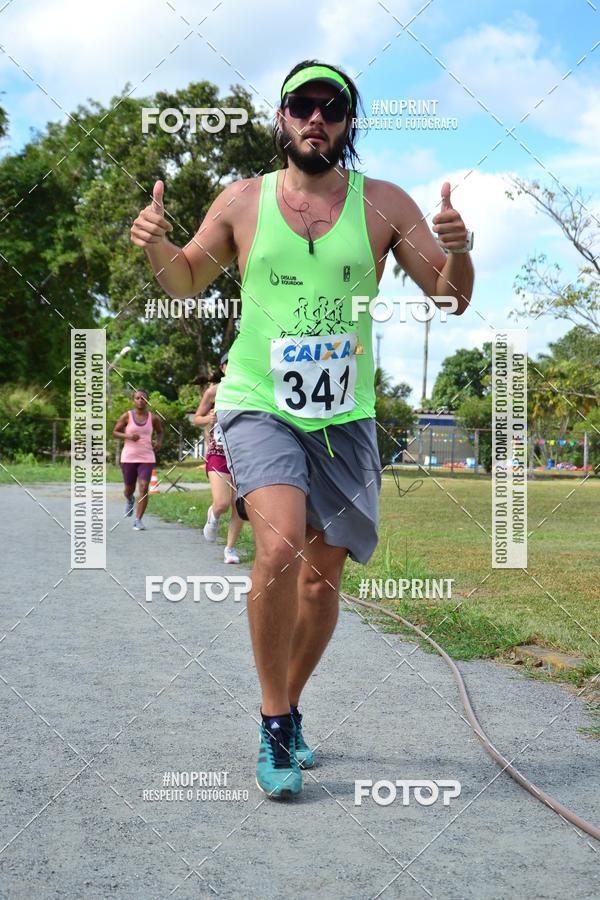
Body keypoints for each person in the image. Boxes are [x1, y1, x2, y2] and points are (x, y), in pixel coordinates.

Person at [130, 59, 474, 798]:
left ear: (349, 123)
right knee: (278, 546)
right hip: (259, 402)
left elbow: (449, 301)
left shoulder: (383, 204)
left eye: (332, 107)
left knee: (322, 588)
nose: (316, 117)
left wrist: (461, 249)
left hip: (344, 417)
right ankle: (275, 721)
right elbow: (185, 280)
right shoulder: (242, 202)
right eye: (301, 105)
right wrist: (156, 243)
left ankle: (287, 701)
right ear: (282, 118)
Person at [193, 352, 243, 564]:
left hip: (243, 453)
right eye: (232, 363)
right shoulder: (213, 391)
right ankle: (213, 515)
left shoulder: (250, 391)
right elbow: (197, 419)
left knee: (240, 506)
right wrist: (208, 418)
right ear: (223, 368)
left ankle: (230, 549)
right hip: (218, 452)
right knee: (222, 503)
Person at [112, 389, 163, 531]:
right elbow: (115, 432)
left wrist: (159, 442)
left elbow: (160, 432)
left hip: (147, 456)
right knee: (129, 489)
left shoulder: (153, 418)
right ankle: (129, 499)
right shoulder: (127, 416)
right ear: (133, 400)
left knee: (144, 487)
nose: (141, 401)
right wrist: (128, 436)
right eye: (138, 398)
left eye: (143, 399)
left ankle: (138, 520)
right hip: (128, 457)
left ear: (147, 401)